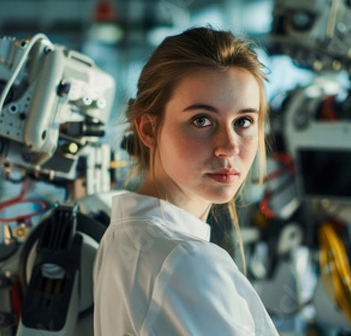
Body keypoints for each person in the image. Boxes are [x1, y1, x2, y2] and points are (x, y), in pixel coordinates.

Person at [93, 26, 279, 336]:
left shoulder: (122, 238)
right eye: (202, 120)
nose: (229, 146)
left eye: (243, 121)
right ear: (149, 129)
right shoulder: (186, 261)